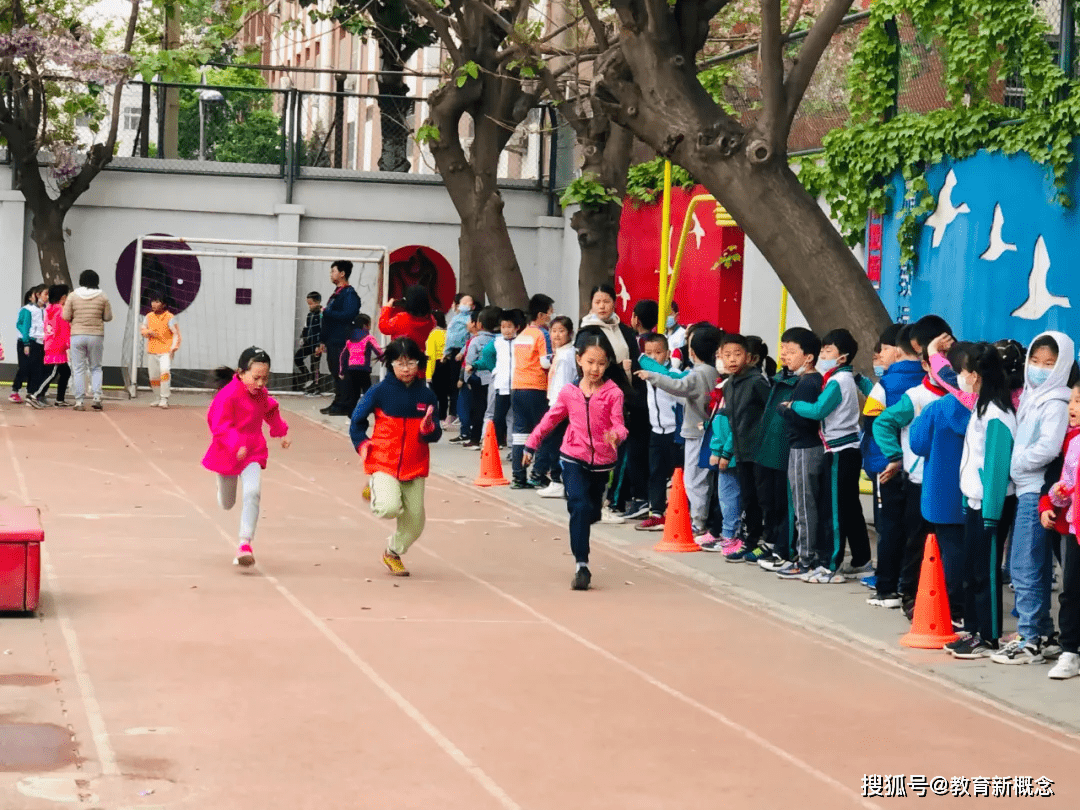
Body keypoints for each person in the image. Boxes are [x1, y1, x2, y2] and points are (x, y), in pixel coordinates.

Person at [990, 331, 1073, 665]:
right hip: (1026, 487)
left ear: (1063, 365)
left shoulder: (1055, 401)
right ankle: (1041, 631)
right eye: (1036, 361)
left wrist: (1016, 462)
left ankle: (1030, 639)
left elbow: (1049, 447)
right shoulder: (1032, 396)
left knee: (1025, 565)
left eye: (1049, 363)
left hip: (1036, 489)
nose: (1040, 368)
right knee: (1030, 563)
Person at [525, 331, 628, 591]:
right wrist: (532, 442)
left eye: (602, 363)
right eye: (591, 362)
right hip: (573, 456)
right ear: (579, 359)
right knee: (579, 506)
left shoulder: (613, 393)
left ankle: (583, 513)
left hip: (603, 463)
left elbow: (620, 425)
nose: (595, 368)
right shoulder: (569, 392)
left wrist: (615, 436)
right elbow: (551, 418)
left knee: (590, 511)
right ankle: (581, 564)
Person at [944, 342, 1017, 659]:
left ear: (974, 375)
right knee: (972, 570)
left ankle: (988, 636)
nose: (959, 376)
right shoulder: (981, 408)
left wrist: (990, 512)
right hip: (974, 502)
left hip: (991, 507)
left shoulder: (999, 415)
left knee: (985, 572)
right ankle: (973, 630)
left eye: (962, 371)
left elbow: (998, 470)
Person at [349, 337, 442, 577]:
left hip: (415, 464)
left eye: (411, 362)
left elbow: (435, 434)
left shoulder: (427, 396)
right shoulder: (379, 391)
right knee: (389, 507)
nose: (406, 368)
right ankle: (375, 487)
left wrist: (428, 429)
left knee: (416, 523)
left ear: (419, 363)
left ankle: (392, 552)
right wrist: (362, 443)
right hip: (383, 460)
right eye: (400, 363)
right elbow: (356, 422)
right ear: (390, 364)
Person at [783, 328, 869, 583]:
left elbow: (819, 410)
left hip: (840, 450)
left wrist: (793, 405)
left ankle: (830, 566)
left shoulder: (837, 382)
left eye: (827, 351)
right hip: (849, 449)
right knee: (850, 508)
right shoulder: (848, 378)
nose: (822, 355)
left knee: (834, 511)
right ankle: (862, 560)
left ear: (842, 357)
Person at [202, 347, 291, 568]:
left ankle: (244, 544)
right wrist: (235, 444)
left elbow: (270, 410)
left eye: (265, 378)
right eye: (256, 377)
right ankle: (221, 487)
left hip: (253, 451)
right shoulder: (227, 395)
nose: (261, 384)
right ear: (241, 373)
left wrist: (280, 432)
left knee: (253, 492)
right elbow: (218, 425)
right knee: (227, 503)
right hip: (227, 453)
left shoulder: (262, 395)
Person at [636, 325, 722, 535]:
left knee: (694, 479)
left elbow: (678, 386)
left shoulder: (699, 373)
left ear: (692, 351)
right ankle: (699, 519)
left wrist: (652, 376)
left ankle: (697, 522)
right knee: (698, 478)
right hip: (702, 430)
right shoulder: (710, 372)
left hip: (697, 432)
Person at [864, 326, 928, 607]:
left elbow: (872, 425)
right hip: (921, 468)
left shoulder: (886, 385)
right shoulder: (930, 381)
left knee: (888, 526)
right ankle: (907, 585)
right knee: (914, 528)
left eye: (884, 349)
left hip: (888, 466)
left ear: (899, 350)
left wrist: (882, 460)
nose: (880, 355)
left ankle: (886, 588)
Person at [718, 332, 771, 562]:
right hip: (740, 452)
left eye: (737, 354)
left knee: (763, 498)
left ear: (748, 357)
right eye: (726, 355)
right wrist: (727, 451)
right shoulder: (729, 385)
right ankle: (750, 540)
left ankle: (767, 541)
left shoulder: (757, 382)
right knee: (748, 498)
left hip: (759, 452)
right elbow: (732, 421)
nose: (732, 360)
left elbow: (770, 412)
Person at [777, 327, 826, 579]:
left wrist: (785, 410)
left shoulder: (809, 383)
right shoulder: (807, 381)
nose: (785, 355)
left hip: (805, 449)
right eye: (784, 349)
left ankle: (805, 558)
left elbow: (804, 420)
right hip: (805, 448)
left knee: (804, 506)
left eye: (791, 351)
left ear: (809, 357)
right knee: (805, 504)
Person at [1046, 381, 1080, 679]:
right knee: (1071, 590)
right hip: (1075, 531)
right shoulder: (1075, 444)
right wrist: (1053, 499)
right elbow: (1065, 485)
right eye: (1072, 400)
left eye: (1079, 401)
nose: (1072, 407)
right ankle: (1069, 650)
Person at [635, 332, 683, 530]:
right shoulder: (646, 375)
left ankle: (677, 511)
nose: (653, 357)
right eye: (649, 353)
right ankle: (656, 512)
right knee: (655, 472)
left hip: (674, 432)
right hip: (656, 430)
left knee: (676, 473)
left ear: (668, 353)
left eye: (658, 352)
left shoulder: (675, 376)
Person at [510, 294, 554, 488]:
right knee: (542, 431)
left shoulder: (522, 335)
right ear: (541, 315)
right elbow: (545, 361)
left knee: (520, 432)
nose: (551, 317)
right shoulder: (541, 334)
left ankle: (518, 476)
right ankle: (538, 473)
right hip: (536, 387)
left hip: (517, 387)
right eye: (550, 313)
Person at [535, 315, 576, 498]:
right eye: (554, 331)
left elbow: (564, 384)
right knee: (554, 443)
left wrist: (557, 409)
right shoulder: (561, 353)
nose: (557, 335)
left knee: (554, 444)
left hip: (561, 407)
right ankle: (558, 480)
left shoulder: (567, 356)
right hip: (556, 403)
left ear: (570, 333)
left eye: (561, 331)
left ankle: (558, 480)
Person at [63, 269, 113, 412]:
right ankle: (97, 397)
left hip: (77, 335)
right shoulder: (102, 296)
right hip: (96, 335)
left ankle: (79, 401)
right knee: (96, 367)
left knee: (78, 368)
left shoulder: (73, 296)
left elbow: (65, 316)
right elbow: (108, 317)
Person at [319, 260, 361, 416]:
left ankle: (346, 404)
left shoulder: (349, 294)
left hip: (342, 340)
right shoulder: (336, 294)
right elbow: (328, 319)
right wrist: (323, 340)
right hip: (332, 340)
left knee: (342, 372)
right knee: (335, 372)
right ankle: (338, 402)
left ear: (342, 273)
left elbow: (349, 315)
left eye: (333, 271)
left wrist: (327, 312)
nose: (331, 274)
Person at [471, 309, 517, 448]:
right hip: (499, 385)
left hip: (516, 385)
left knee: (512, 416)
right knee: (493, 414)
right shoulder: (497, 342)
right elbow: (486, 357)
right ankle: (488, 443)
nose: (506, 330)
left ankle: (512, 446)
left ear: (517, 328)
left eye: (509, 327)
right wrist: (494, 370)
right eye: (503, 327)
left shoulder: (520, 342)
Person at [460, 306, 499, 448]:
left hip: (478, 379)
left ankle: (476, 438)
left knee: (478, 409)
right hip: (493, 379)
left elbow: (469, 360)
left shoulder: (475, 341)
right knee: (492, 409)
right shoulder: (498, 340)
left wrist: (465, 378)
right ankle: (498, 438)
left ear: (479, 324)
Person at [378, 285, 437, 373]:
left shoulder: (402, 318)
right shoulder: (431, 320)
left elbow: (384, 327)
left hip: (400, 361)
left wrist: (387, 308)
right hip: (418, 364)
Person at [139, 292, 181, 409]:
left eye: (157, 301)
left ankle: (164, 398)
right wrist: (148, 332)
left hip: (165, 351)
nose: (154, 304)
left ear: (164, 304)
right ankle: (157, 397)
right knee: (153, 376)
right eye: (153, 301)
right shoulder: (148, 317)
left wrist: (173, 348)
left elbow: (176, 334)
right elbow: (143, 329)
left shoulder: (169, 317)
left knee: (164, 372)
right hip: (152, 350)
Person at [339, 313, 383, 414]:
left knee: (354, 395)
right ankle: (370, 412)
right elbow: (378, 350)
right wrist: (385, 360)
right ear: (365, 325)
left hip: (351, 370)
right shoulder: (369, 338)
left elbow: (343, 356)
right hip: (363, 370)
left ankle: (352, 416)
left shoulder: (349, 339)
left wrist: (342, 371)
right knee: (367, 392)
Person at [16, 285, 48, 408]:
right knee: (29, 368)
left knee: (40, 370)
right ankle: (22, 391)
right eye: (45, 294)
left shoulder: (46, 309)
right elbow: (23, 326)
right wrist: (26, 342)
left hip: (42, 341)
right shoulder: (28, 310)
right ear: (37, 295)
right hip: (32, 340)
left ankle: (34, 394)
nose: (47, 297)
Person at [41, 285, 72, 407]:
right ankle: (36, 394)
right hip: (58, 346)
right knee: (51, 374)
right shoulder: (61, 310)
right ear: (63, 297)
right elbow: (64, 329)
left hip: (50, 343)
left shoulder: (49, 308)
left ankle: (60, 399)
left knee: (65, 372)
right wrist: (68, 343)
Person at [295, 291, 322, 394]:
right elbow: (306, 328)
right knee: (297, 358)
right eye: (308, 304)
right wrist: (303, 337)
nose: (309, 306)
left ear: (318, 302)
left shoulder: (321, 314)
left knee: (314, 365)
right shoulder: (309, 315)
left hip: (317, 345)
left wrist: (319, 344)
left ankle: (316, 387)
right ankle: (308, 377)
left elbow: (322, 330)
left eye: (311, 304)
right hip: (308, 343)